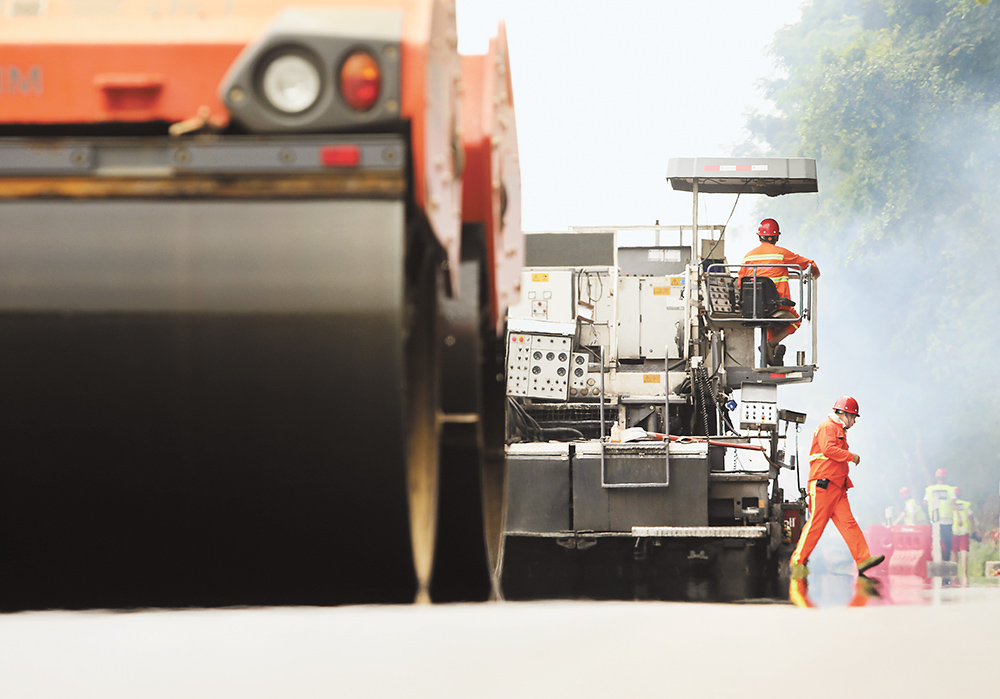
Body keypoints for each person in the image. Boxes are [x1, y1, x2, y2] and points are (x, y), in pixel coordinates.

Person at [789, 396, 885, 579]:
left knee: (849, 523)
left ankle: (863, 559)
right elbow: (828, 450)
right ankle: (797, 561)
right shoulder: (828, 427)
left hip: (838, 487)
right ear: (845, 414)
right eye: (854, 417)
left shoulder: (838, 429)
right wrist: (851, 456)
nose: (855, 421)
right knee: (816, 524)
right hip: (823, 485)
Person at [739, 218, 821, 366]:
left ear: (759, 236)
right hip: (777, 306)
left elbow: (740, 281)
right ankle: (770, 345)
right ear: (777, 237)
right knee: (796, 319)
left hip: (753, 308)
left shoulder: (748, 257)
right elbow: (803, 263)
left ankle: (773, 355)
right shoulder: (781, 254)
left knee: (771, 324)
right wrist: (814, 268)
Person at [924, 468, 957, 561]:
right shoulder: (950, 489)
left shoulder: (930, 489)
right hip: (947, 521)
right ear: (945, 478)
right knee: (947, 544)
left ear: (936, 478)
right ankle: (946, 561)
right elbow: (954, 502)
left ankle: (937, 562)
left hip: (935, 521)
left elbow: (925, 502)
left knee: (936, 543)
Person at [951, 486, 978, 582]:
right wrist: (974, 529)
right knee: (964, 551)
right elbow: (971, 517)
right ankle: (965, 574)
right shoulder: (966, 504)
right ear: (960, 494)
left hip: (953, 530)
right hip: (964, 530)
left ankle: (954, 573)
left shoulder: (950, 505)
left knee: (954, 551)